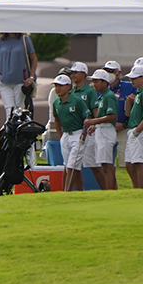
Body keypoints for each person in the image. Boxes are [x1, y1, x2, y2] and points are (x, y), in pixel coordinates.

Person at [81, 69, 122, 192]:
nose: (94, 84)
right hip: (101, 130)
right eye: (93, 81)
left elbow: (112, 116)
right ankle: (108, 190)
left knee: (107, 165)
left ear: (105, 82)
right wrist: (95, 125)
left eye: (96, 81)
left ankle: (110, 191)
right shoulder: (102, 97)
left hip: (107, 131)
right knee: (104, 164)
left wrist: (93, 122)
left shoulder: (109, 96)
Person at [53, 63, 92, 192]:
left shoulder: (77, 101)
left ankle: (66, 193)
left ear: (68, 87)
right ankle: (79, 192)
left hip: (78, 134)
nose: (57, 88)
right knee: (69, 166)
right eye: (56, 86)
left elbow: (87, 117)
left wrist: (83, 134)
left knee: (72, 166)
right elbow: (57, 120)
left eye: (60, 86)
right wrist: (61, 136)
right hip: (66, 135)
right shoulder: (56, 103)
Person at [0, 32, 37, 118]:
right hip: (4, 81)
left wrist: (31, 77)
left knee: (19, 109)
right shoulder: (0, 40)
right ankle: (11, 130)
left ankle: (18, 130)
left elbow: (34, 59)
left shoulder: (24, 39)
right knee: (9, 110)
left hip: (21, 81)